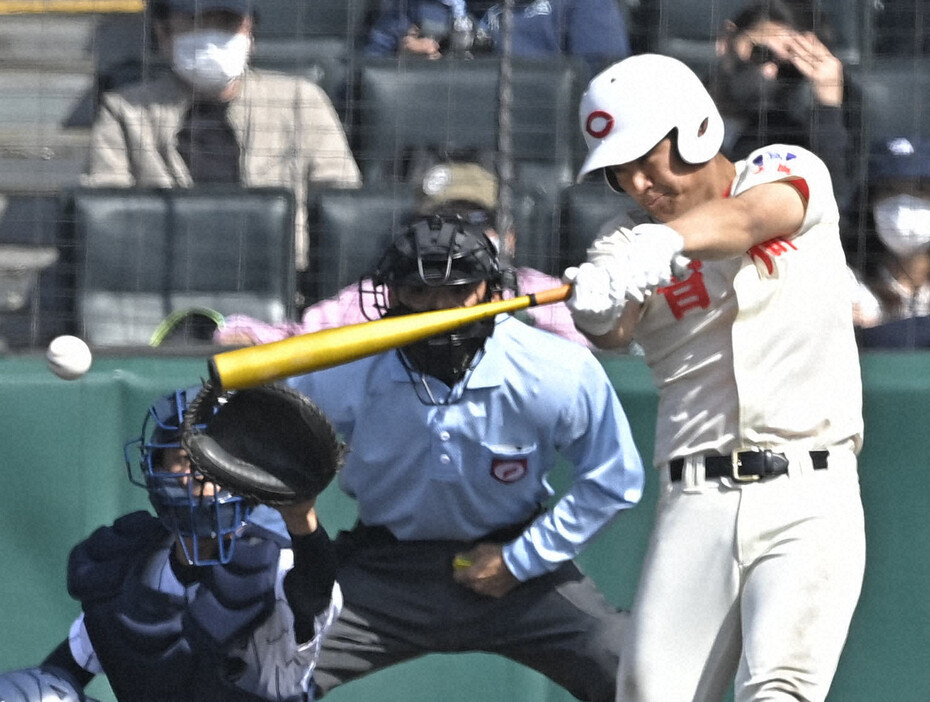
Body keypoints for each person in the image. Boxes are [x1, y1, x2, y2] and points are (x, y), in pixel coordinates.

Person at [565, 53, 865, 701]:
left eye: (649, 158)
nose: (641, 183)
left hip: (807, 490)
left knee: (778, 689)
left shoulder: (782, 170)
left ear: (694, 127)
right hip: (695, 499)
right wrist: (592, 308)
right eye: (622, 172)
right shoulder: (625, 242)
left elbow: (751, 220)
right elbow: (613, 330)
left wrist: (666, 246)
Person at [286, 214, 644, 701]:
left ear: (492, 292)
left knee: (630, 668)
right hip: (382, 570)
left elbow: (614, 478)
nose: (438, 309)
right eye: (418, 291)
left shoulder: (555, 368)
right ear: (390, 295)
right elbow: (276, 455)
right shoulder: (346, 369)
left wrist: (521, 560)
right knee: (268, 665)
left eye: (458, 291)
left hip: (520, 570)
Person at [0, 386, 342, 702]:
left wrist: (302, 518)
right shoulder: (128, 563)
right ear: (157, 467)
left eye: (222, 457)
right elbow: (61, 672)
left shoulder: (277, 566)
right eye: (187, 456)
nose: (204, 472)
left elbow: (313, 592)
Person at [81, 0, 362, 270]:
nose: (212, 36)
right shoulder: (126, 111)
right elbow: (105, 211)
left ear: (250, 32)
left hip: (279, 277)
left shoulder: (301, 101)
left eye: (226, 23)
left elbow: (341, 196)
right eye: (197, 22)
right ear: (163, 33)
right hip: (163, 279)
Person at [214, 161, 592, 348]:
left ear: (507, 236)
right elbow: (300, 340)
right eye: (443, 223)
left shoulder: (541, 292)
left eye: (474, 221)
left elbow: (601, 349)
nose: (457, 237)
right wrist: (238, 335)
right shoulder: (385, 293)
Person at [709, 0, 855, 216]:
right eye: (761, 54)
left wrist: (828, 105)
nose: (770, 72)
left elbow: (830, 207)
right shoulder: (677, 105)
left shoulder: (791, 140)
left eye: (788, 70)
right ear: (726, 39)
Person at [364, 0, 631, 74]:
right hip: (430, 149)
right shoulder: (420, 4)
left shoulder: (581, 4)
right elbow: (363, 76)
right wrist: (399, 66)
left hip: (528, 155)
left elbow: (609, 82)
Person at [850, 135, 930, 348]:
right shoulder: (847, 282)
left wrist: (877, 332)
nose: (902, 204)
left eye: (919, 190)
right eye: (889, 190)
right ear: (870, 203)